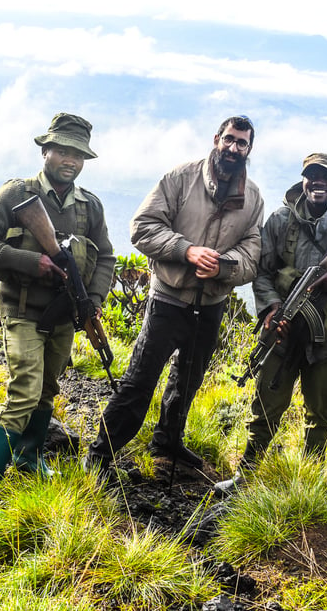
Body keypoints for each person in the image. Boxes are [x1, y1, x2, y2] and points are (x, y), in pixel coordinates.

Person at [87, 115, 264, 481]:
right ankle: (100, 452)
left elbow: (252, 254)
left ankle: (167, 441)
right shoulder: (180, 178)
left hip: (212, 304)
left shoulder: (253, 198)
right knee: (141, 379)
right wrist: (186, 251)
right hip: (168, 299)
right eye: (229, 139)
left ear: (249, 149)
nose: (233, 148)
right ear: (216, 139)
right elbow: (142, 227)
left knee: (188, 381)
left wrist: (223, 266)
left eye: (241, 143)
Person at [214, 153, 327, 495]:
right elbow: (261, 271)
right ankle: (245, 476)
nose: (318, 183)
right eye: (312, 175)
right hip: (282, 332)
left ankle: (307, 484)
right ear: (303, 179)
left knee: (321, 415)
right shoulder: (281, 221)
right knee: (265, 406)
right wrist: (271, 308)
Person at [0, 112, 115, 512]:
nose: (70, 160)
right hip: (23, 310)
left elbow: (107, 258)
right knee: (25, 389)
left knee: (48, 388)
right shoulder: (17, 194)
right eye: (63, 150)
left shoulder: (89, 207)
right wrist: (35, 263)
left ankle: (28, 458)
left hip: (65, 316)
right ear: (45, 150)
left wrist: (92, 302)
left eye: (78, 154)